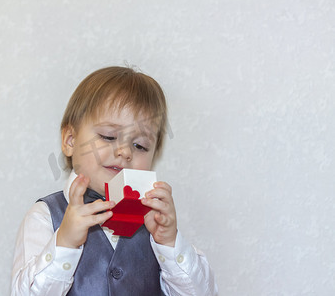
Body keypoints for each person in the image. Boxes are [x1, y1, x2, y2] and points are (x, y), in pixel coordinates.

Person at [11, 66, 218, 296]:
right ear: (70, 140)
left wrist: (169, 243)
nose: (125, 151)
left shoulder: (155, 224)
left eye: (140, 145)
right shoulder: (44, 217)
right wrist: (65, 243)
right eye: (108, 136)